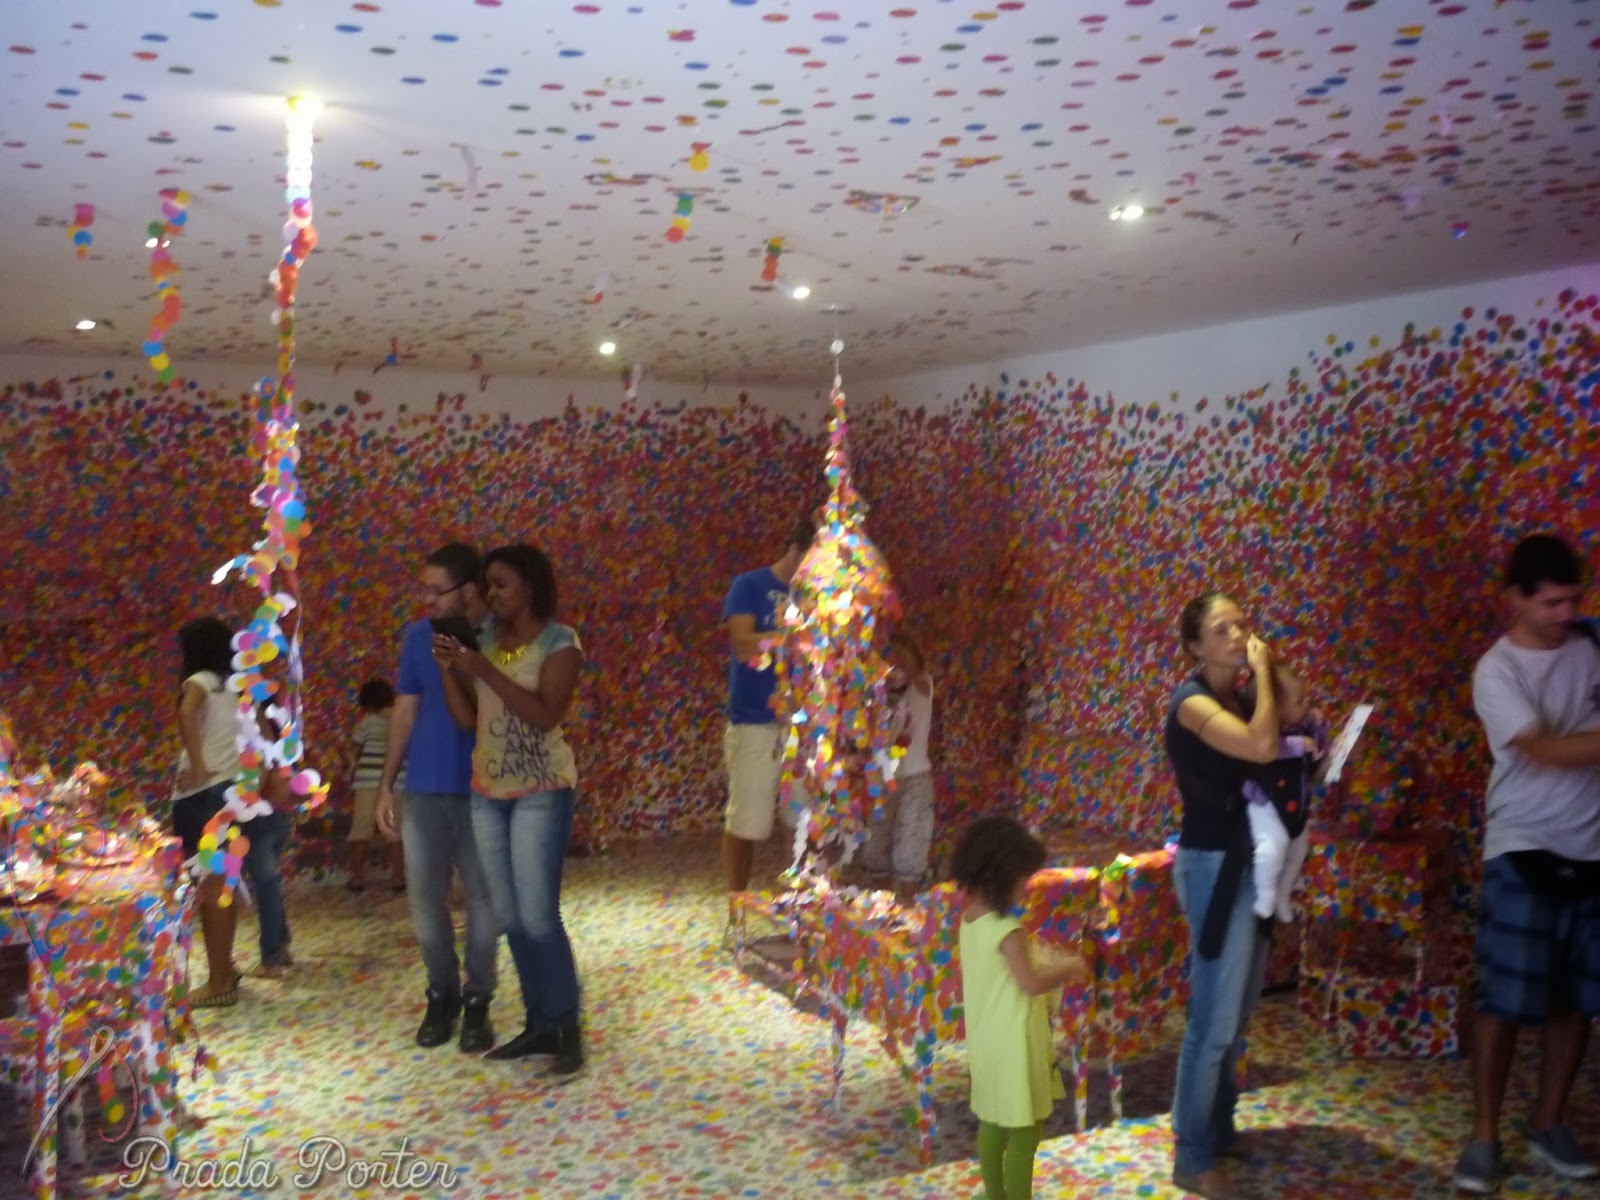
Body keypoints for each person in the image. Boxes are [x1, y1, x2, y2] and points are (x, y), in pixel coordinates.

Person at [1452, 533, 1600, 1193]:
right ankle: (1484, 1137)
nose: (1565, 614)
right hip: (1522, 846)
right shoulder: (1497, 671)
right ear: (1515, 597)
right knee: (1504, 1000)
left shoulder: (1591, 644)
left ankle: (1549, 1121)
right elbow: (1543, 749)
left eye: (1573, 600)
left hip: (1593, 849)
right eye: (1551, 603)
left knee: (1577, 999)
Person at [433, 544, 586, 1078]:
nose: (493, 595)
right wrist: (452, 671)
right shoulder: (486, 643)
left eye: (502, 584)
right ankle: (539, 1023)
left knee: (539, 916)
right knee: (512, 917)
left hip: (542, 789)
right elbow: (470, 720)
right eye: (489, 586)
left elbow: (545, 715)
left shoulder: (560, 642)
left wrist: (482, 668)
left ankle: (567, 1027)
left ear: (531, 586)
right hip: (488, 791)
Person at [1164, 592, 1280, 1199]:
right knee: (1211, 1020)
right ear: (1195, 647)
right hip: (1212, 866)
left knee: (1238, 1017)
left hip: (1252, 862)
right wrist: (1262, 673)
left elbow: (1286, 732)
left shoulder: (1241, 699)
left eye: (1242, 624)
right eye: (1221, 629)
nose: (1237, 635)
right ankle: (1191, 1154)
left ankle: (1220, 1126)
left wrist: (1266, 679)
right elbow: (1261, 747)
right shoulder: (1192, 704)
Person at [374, 543, 499, 1054]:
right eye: (422, 589)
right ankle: (441, 994)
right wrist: (387, 782)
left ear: (468, 590)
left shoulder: (499, 638)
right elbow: (405, 709)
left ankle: (478, 999)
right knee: (426, 900)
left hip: (484, 787)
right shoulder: (416, 638)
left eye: (436, 589)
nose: (426, 599)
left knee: (483, 900)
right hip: (423, 787)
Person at [951, 814, 1091, 1200]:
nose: (1026, 887)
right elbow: (1030, 984)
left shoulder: (971, 918)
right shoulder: (1008, 932)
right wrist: (1068, 968)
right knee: (1026, 1131)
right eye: (1023, 879)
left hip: (986, 1041)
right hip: (1016, 1044)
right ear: (1002, 877)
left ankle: (994, 1194)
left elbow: (1001, 975)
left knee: (993, 1121)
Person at [721, 516, 817, 902]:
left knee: (802, 821)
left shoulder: (818, 596)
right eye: (811, 560)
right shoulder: (750, 585)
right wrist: (793, 638)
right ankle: (736, 909)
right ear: (795, 549)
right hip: (754, 722)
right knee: (747, 822)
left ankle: (798, 905)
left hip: (802, 722)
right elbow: (743, 644)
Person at [171, 617, 245, 1009]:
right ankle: (225, 969)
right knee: (223, 887)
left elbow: (186, 714)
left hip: (203, 797)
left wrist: (198, 767)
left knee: (211, 890)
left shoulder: (198, 681)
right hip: (230, 793)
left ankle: (219, 980)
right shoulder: (235, 685)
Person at [1241, 663, 1328, 925]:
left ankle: (1282, 893)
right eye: (1300, 701)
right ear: (1275, 708)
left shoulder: (1301, 727)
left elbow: (1318, 750)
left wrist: (1320, 726)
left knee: (1299, 851)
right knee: (1272, 848)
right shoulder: (1264, 733)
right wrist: (1300, 744)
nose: (1306, 705)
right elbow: (1271, 748)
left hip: (1295, 806)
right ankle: (1265, 893)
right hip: (1266, 805)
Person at [862, 629, 937, 892]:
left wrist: (902, 661)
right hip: (884, 777)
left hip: (915, 777)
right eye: (890, 657)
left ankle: (906, 902)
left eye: (901, 657)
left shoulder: (922, 683)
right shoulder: (878, 692)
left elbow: (916, 676)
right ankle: (878, 903)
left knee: (910, 847)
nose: (896, 662)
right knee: (876, 844)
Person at [240, 703, 296, 979]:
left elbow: (262, 771)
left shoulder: (253, 730)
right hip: (279, 815)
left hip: (260, 816)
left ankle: (271, 957)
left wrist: (246, 804)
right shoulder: (279, 734)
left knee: (266, 885)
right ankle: (280, 945)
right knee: (269, 884)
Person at [346, 678, 406, 893]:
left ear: (368, 704)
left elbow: (353, 750)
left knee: (360, 831)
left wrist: (353, 767)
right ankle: (398, 878)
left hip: (367, 782)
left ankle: (357, 878)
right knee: (395, 833)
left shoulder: (367, 722)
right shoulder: (404, 720)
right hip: (398, 782)